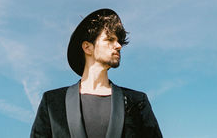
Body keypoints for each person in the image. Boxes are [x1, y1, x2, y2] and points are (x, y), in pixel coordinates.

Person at [30, 8, 162, 138]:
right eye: (110, 39)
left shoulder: (137, 102)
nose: (118, 46)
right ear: (87, 47)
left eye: (119, 41)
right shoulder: (52, 103)